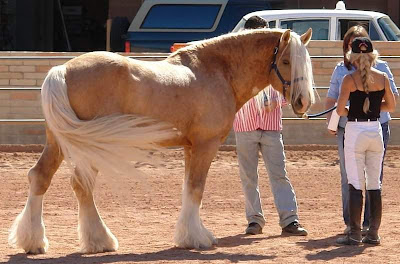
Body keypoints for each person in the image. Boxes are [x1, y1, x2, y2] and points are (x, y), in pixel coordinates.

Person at [233, 15, 307, 236]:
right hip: (245, 124)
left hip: (270, 124)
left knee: (278, 173)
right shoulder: (236, 61)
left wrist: (278, 101)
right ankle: (254, 220)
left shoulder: (277, 58)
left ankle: (289, 220)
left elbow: (288, 87)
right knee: (249, 176)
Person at [325, 26, 398, 235]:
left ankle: (355, 232)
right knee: (375, 181)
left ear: (352, 54)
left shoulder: (348, 78)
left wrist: (353, 109)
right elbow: (392, 106)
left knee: (354, 180)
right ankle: (373, 232)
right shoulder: (382, 75)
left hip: (355, 129)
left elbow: (339, 109)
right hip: (375, 128)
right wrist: (373, 108)